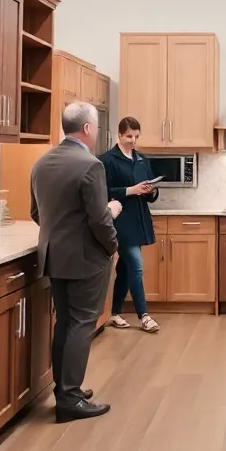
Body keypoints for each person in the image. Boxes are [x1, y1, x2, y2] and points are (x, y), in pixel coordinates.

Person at [30, 101, 123, 421]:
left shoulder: (41, 163)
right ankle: (69, 398)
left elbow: (36, 213)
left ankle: (65, 389)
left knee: (66, 324)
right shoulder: (90, 165)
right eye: (96, 127)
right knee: (82, 325)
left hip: (55, 258)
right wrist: (113, 242)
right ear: (87, 128)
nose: (96, 133)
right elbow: (99, 220)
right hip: (87, 260)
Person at [99, 116, 161, 333]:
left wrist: (150, 191)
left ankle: (114, 313)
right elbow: (101, 191)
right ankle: (144, 316)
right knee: (136, 265)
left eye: (136, 136)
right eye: (129, 136)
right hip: (120, 220)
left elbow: (151, 190)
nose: (133, 140)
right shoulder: (107, 160)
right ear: (119, 135)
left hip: (139, 219)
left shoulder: (142, 159)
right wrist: (130, 190)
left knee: (124, 268)